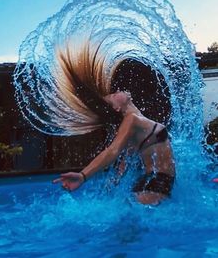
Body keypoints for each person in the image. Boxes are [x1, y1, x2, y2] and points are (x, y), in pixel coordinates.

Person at [52, 39, 175, 205]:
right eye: (111, 97)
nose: (115, 92)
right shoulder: (131, 120)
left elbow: (124, 160)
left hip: (155, 182)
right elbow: (112, 151)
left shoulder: (137, 124)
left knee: (132, 226)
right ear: (117, 108)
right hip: (155, 182)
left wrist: (112, 185)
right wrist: (83, 175)